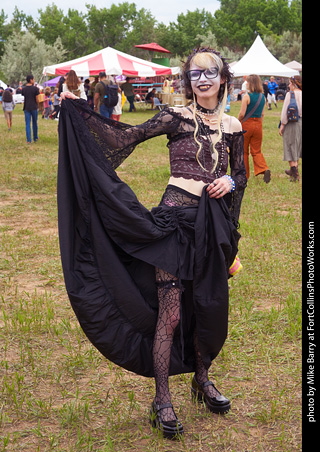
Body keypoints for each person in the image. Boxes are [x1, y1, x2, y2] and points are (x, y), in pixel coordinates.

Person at [58, 47, 247, 440]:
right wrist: (77, 109)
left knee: (206, 306)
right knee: (172, 311)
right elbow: (120, 137)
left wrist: (229, 183)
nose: (204, 79)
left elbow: (240, 177)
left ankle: (202, 379)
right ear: (188, 81)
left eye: (211, 72)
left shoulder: (232, 125)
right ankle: (162, 398)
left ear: (223, 78)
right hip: (174, 223)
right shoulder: (176, 117)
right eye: (196, 74)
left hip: (212, 228)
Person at [238, 74, 271, 183]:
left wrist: (238, 121)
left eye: (247, 82)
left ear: (251, 84)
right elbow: (262, 114)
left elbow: (242, 114)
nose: (246, 83)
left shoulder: (247, 97)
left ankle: (245, 175)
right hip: (258, 125)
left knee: (244, 151)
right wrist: (258, 124)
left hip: (246, 124)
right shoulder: (263, 97)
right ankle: (264, 168)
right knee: (256, 150)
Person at [279, 76, 302, 182]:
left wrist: (282, 124)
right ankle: (294, 170)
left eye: (289, 83)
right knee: (297, 147)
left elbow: (285, 112)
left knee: (290, 146)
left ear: (294, 84)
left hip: (292, 123)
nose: (288, 85)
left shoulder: (290, 94)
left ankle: (295, 174)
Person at [22, 74, 40, 144]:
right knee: (34, 123)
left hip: (26, 107)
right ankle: (35, 137)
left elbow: (24, 96)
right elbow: (37, 99)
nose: (34, 80)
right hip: (33, 107)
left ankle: (28, 140)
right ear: (31, 80)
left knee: (27, 124)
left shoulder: (24, 89)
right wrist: (38, 105)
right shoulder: (35, 89)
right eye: (33, 79)